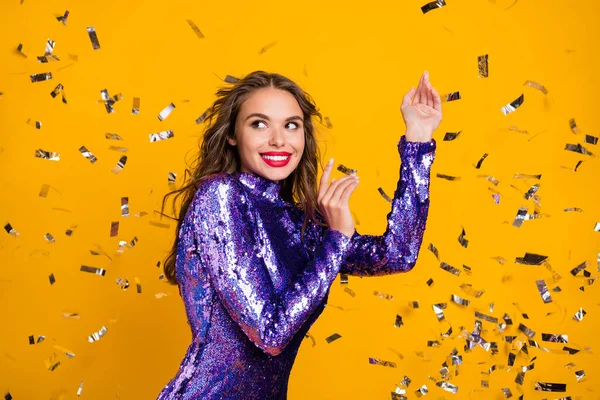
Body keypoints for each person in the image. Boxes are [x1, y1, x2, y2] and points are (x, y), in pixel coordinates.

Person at [157, 70, 442, 399]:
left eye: (291, 125)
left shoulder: (299, 224)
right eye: (259, 124)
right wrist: (336, 240)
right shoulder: (221, 197)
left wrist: (418, 142)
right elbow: (270, 333)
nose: (278, 139)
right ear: (233, 134)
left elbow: (397, 255)